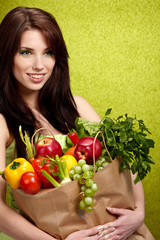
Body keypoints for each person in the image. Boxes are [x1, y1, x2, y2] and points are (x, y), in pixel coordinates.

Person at [0, 7, 145, 240]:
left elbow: (124, 159)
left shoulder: (76, 106)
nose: (39, 65)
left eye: (48, 53)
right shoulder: (3, 122)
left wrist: (138, 212)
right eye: (26, 52)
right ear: (6, 55)